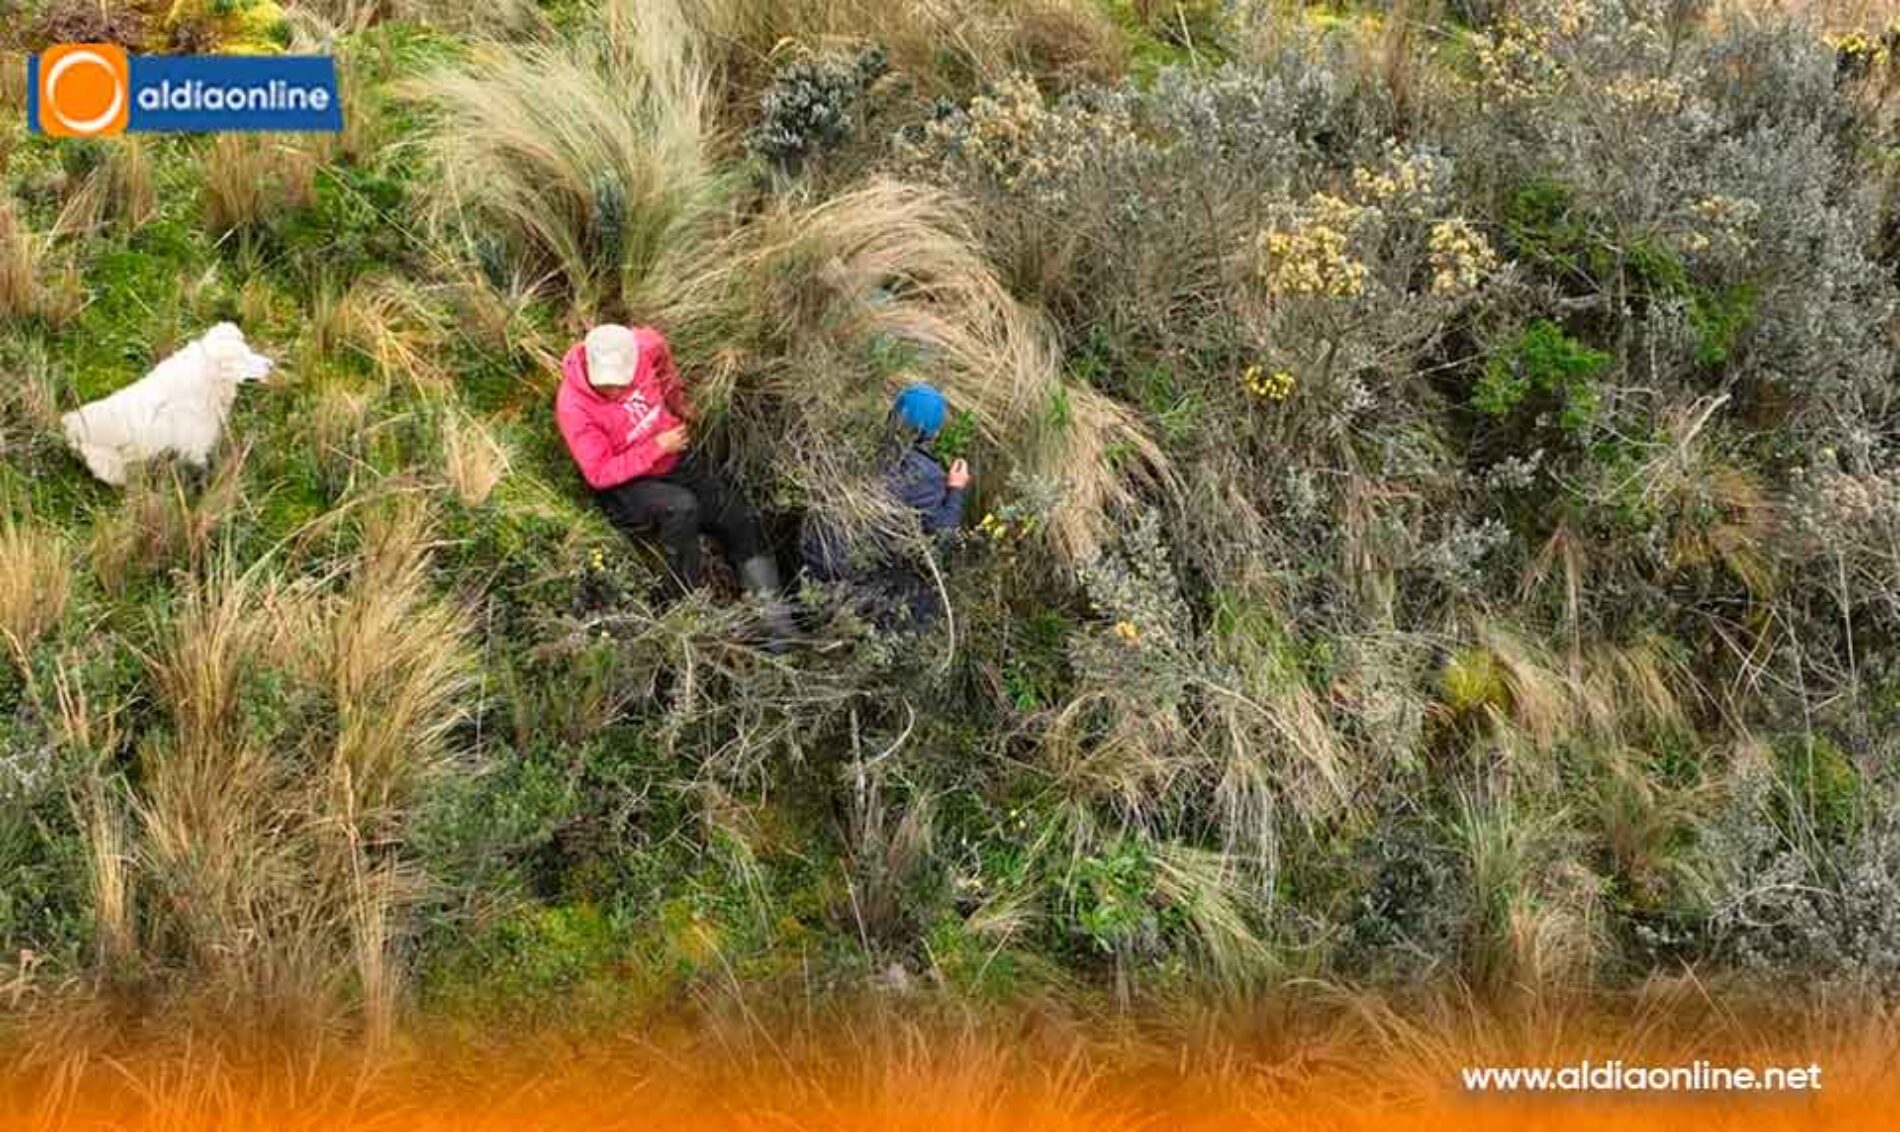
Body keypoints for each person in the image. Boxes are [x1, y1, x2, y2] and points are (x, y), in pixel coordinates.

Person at [556, 323, 796, 641]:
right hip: (627, 486)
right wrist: (656, 447)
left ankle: (776, 621)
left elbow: (661, 357)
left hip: (673, 459)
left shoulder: (644, 346)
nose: (614, 391)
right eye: (607, 385)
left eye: (621, 383)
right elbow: (599, 473)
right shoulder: (574, 407)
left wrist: (677, 403)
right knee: (681, 509)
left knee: (737, 512)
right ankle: (684, 614)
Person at [802, 382, 971, 626]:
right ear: (934, 433)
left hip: (820, 574)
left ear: (892, 417)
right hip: (864, 588)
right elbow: (942, 537)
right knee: (923, 597)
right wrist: (955, 489)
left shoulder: (858, 450)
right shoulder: (925, 475)